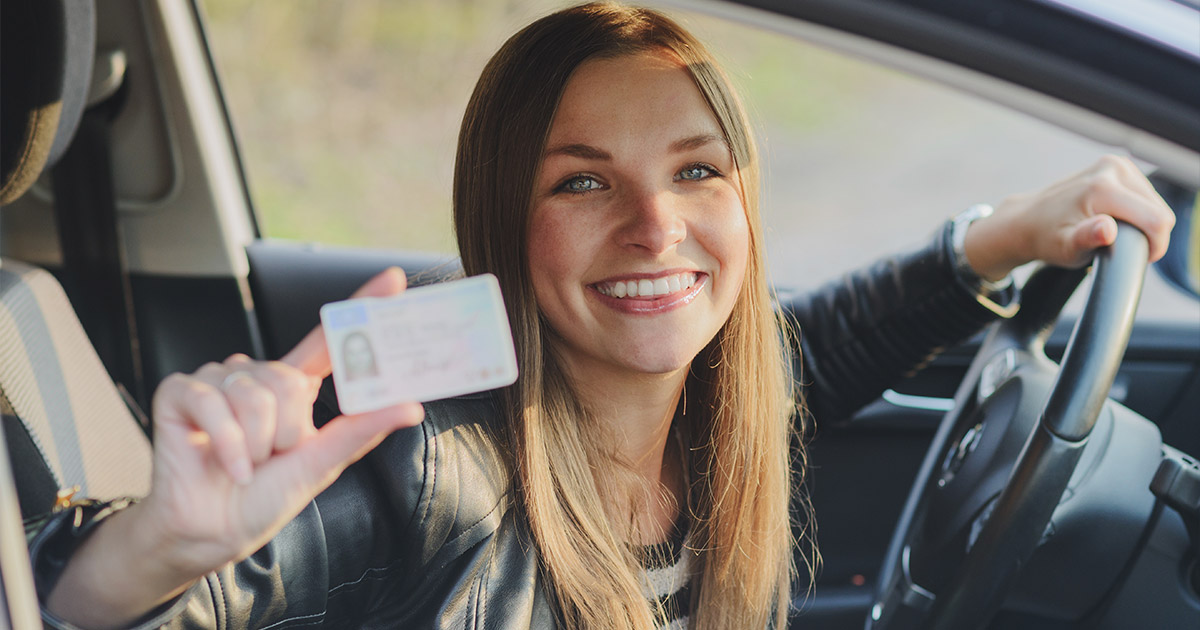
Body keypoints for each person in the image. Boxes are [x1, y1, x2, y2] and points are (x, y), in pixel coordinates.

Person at [29, 3, 1174, 629]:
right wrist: (150, 554)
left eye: (696, 173)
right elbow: (190, 602)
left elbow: (815, 350)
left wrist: (1006, 232)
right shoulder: (428, 454)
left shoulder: (712, 408)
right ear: (504, 218)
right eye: (582, 181)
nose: (655, 228)